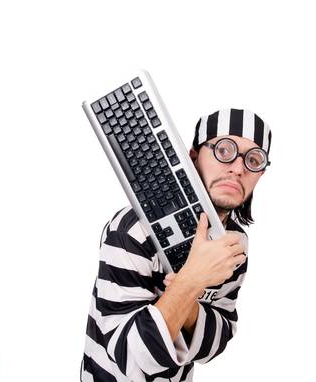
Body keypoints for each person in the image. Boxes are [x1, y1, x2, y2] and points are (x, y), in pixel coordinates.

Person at [81, 109, 270, 381]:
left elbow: (215, 343)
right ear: (193, 157)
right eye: (224, 151)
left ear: (260, 174)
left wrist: (188, 305)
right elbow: (131, 359)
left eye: (253, 159)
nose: (238, 169)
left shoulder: (234, 245)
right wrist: (192, 279)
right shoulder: (132, 229)